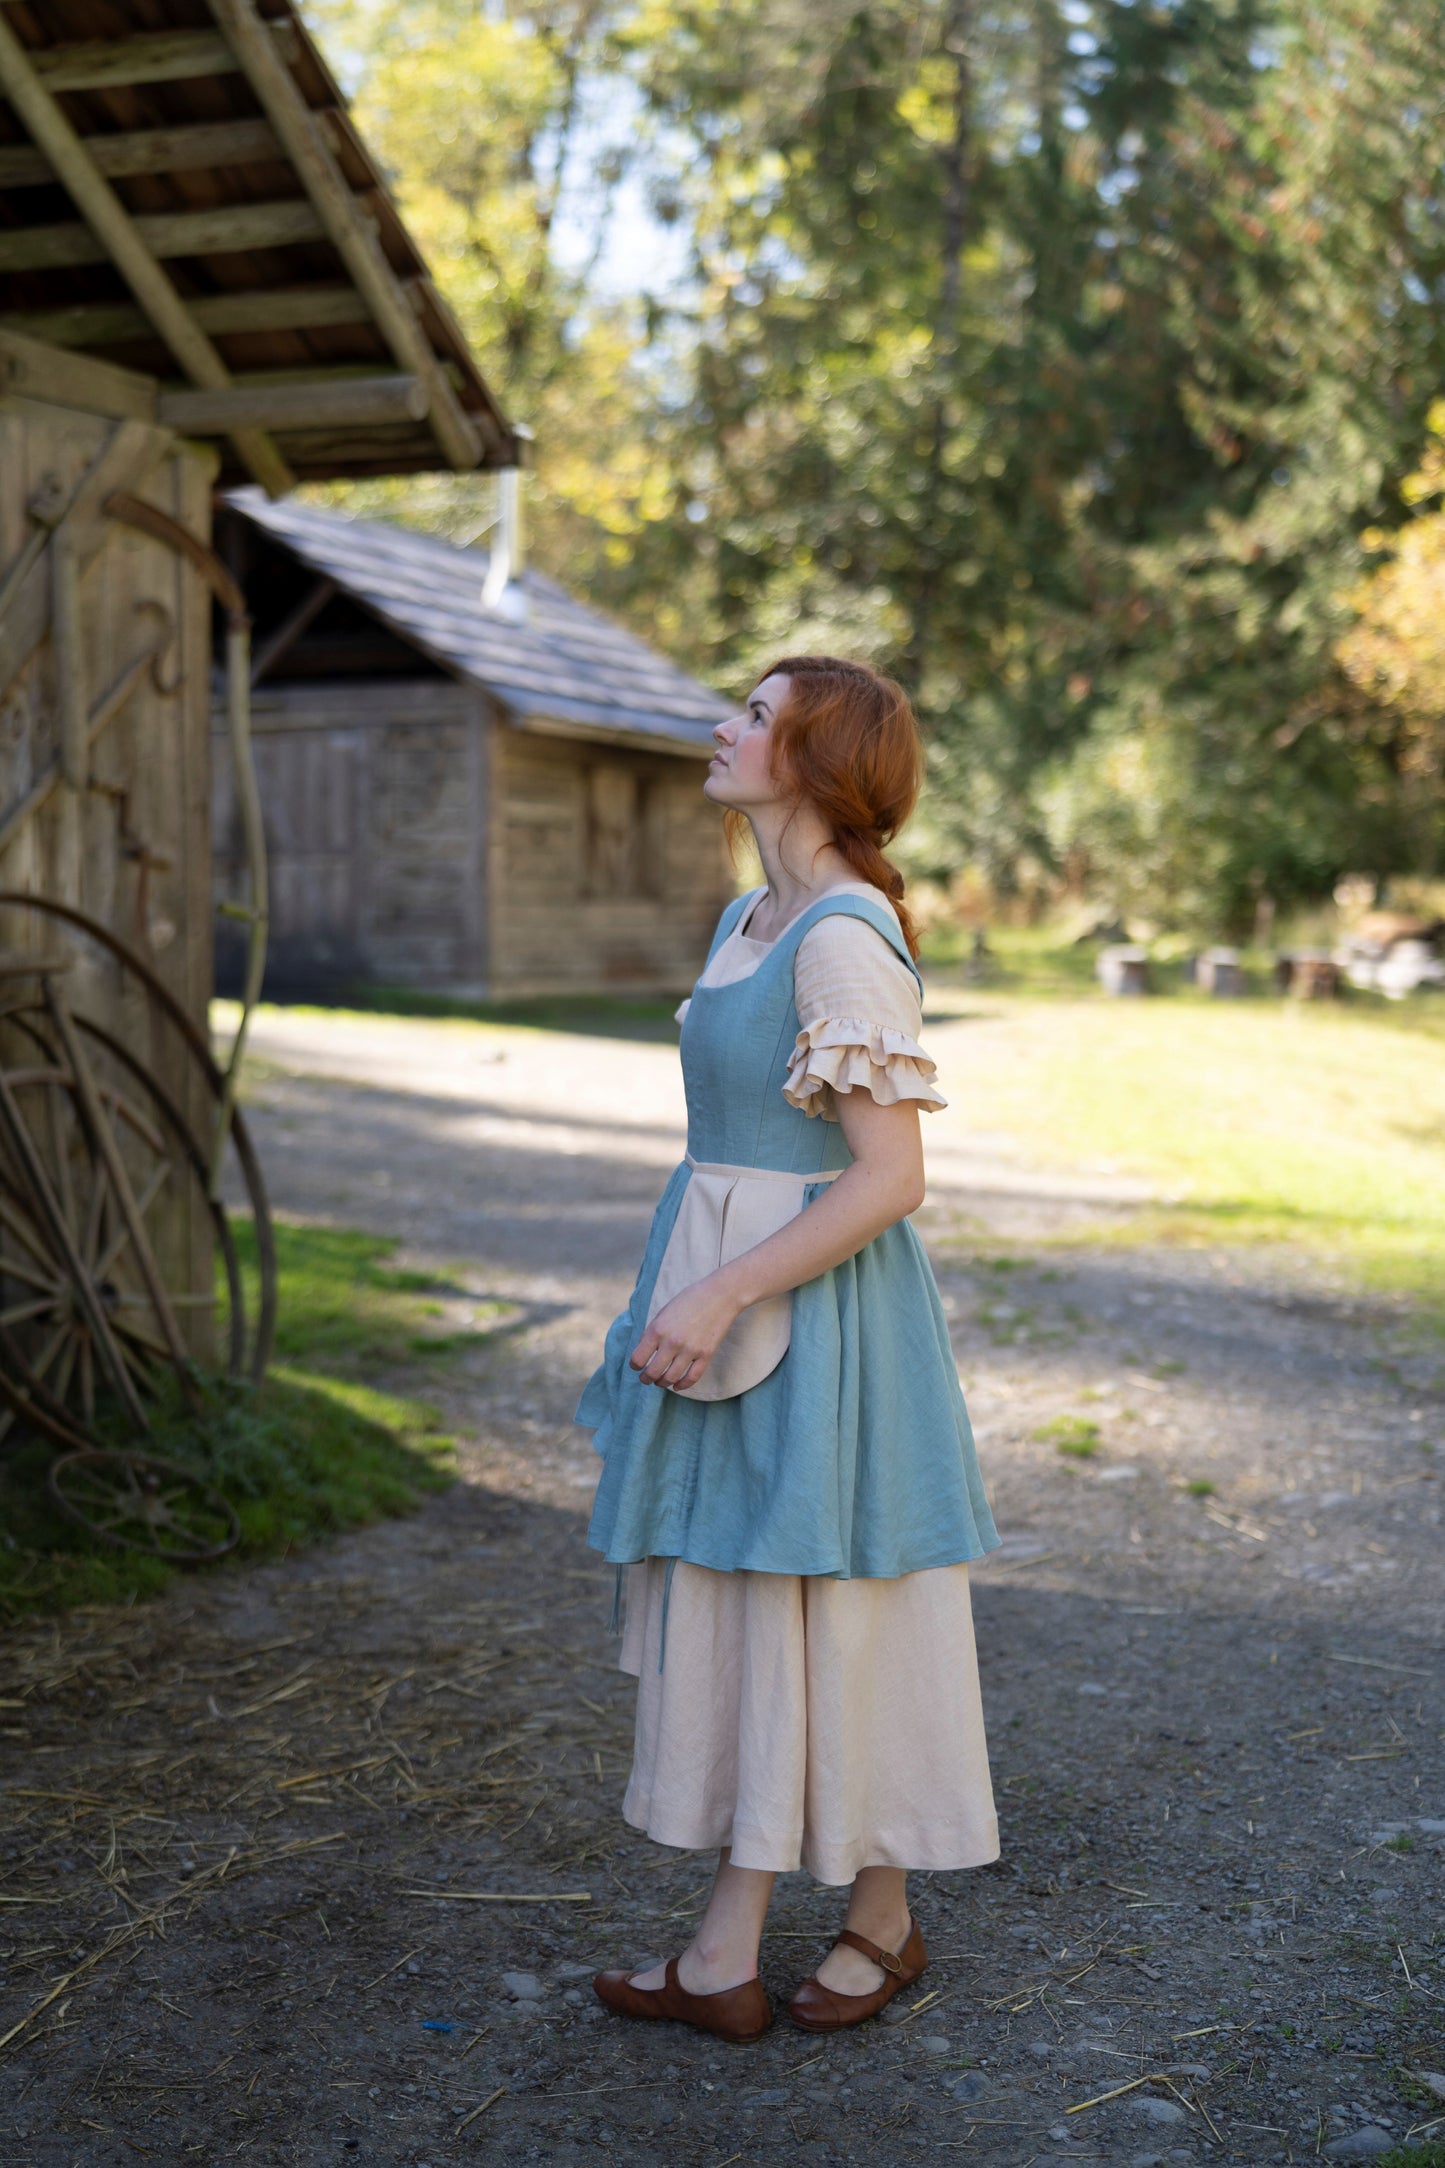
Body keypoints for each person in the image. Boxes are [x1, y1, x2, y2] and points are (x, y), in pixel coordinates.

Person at [574, 655, 999, 2044]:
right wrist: (686, 1286)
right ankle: (859, 1918)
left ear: (817, 757)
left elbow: (888, 1177)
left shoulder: (839, 935)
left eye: (753, 715)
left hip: (809, 1310)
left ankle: (729, 1952)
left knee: (809, 1598)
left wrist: (717, 1298)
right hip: (729, 1277)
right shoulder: (751, 914)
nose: (719, 724)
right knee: (790, 1603)